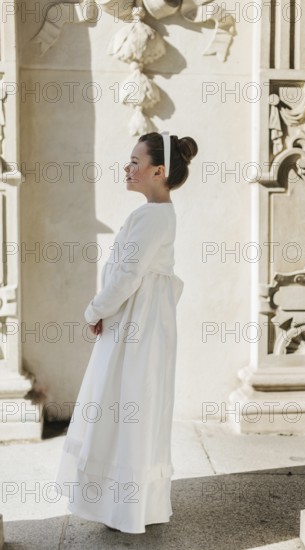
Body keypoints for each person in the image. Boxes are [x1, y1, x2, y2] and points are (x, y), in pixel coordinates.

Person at [54, 131, 198, 534]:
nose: (127, 167)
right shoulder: (155, 213)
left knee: (128, 402)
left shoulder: (152, 216)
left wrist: (96, 308)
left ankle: (127, 504)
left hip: (136, 325)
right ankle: (124, 504)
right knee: (130, 405)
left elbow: (128, 276)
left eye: (135, 161)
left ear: (159, 170)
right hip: (136, 321)